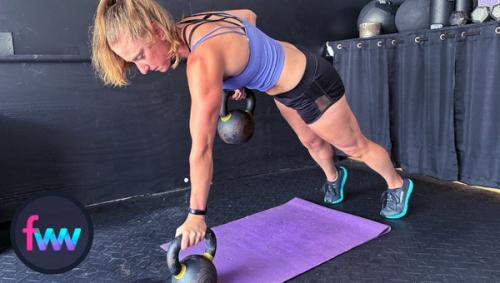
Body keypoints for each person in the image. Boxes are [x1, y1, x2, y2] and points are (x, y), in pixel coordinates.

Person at [91, 0, 414, 250]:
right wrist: (240, 70)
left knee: (352, 145)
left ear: (156, 31)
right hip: (284, 87)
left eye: (140, 56)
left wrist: (196, 216)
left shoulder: (203, 62)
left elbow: (201, 149)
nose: (142, 68)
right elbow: (247, 15)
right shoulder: (190, 24)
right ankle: (335, 176)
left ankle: (397, 184)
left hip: (311, 84)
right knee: (312, 143)